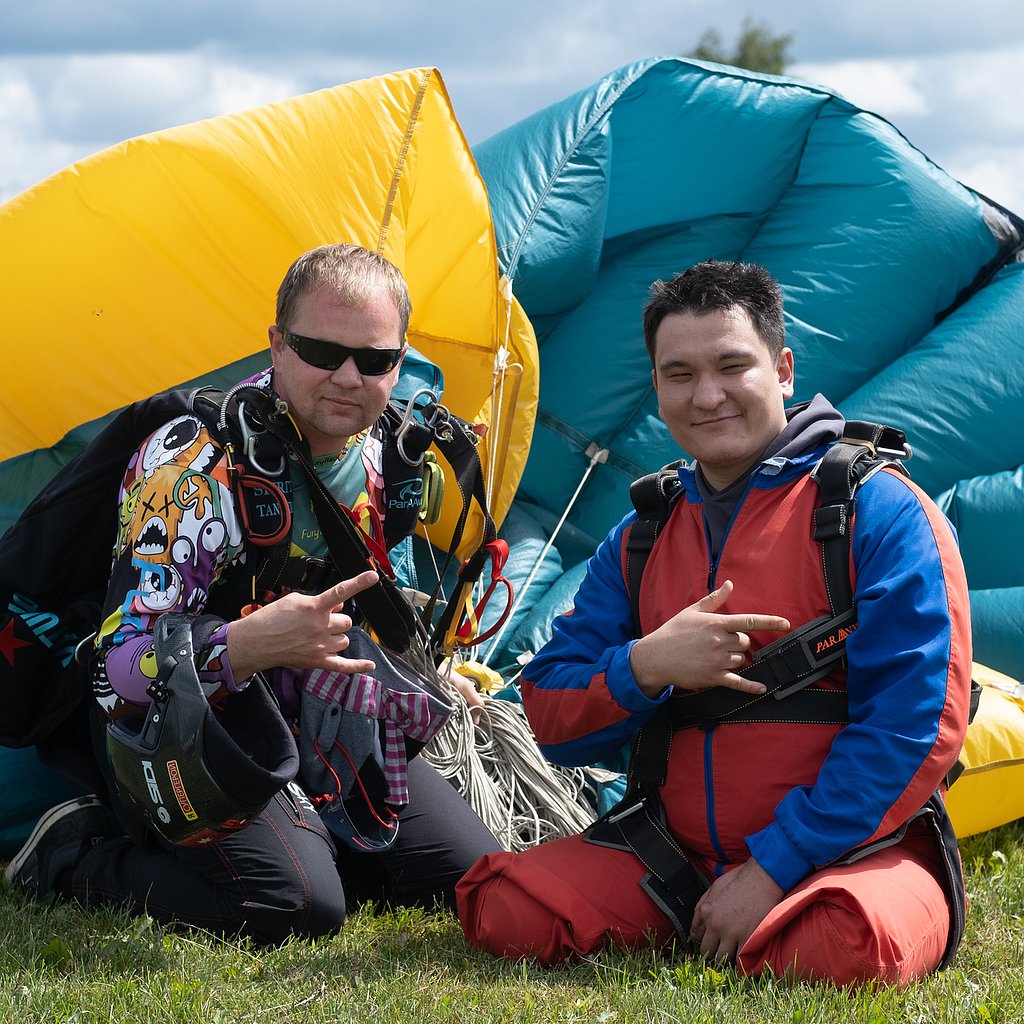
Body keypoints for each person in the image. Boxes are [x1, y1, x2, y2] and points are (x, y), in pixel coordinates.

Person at [456, 259, 973, 986]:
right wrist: (647, 667)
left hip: (845, 857)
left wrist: (772, 869)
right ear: (657, 388)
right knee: (503, 907)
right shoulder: (642, 535)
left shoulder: (877, 512)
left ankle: (763, 916)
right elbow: (549, 710)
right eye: (679, 374)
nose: (707, 395)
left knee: (836, 948)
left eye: (733, 366)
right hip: (676, 856)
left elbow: (918, 727)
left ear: (784, 369)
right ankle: (708, 918)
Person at [5, 243, 499, 942]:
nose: (348, 377)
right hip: (187, 727)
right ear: (276, 344)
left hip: (326, 717)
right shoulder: (193, 461)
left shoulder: (391, 457)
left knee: (472, 876)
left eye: (375, 359)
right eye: (321, 350)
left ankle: (309, 837)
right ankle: (71, 851)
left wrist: (432, 673)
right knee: (294, 905)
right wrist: (243, 647)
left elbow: (383, 603)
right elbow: (116, 672)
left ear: (400, 360)